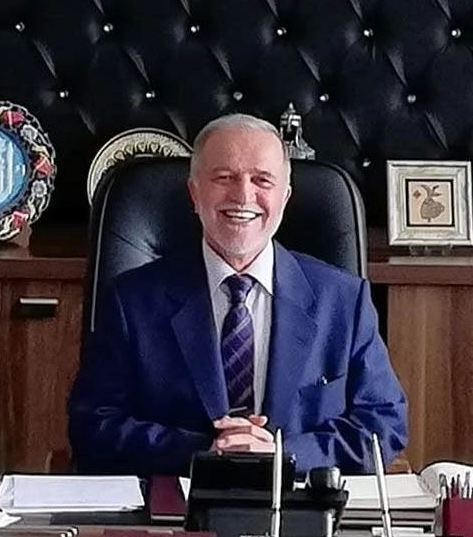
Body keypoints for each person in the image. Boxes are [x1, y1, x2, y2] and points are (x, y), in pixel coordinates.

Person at [67, 113, 408, 477]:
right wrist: (206, 451)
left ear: (285, 197)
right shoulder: (132, 300)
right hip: (177, 503)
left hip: (300, 500)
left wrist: (283, 454)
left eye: (262, 180)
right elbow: (92, 426)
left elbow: (385, 424)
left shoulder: (343, 301)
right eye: (224, 177)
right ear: (194, 193)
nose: (243, 196)